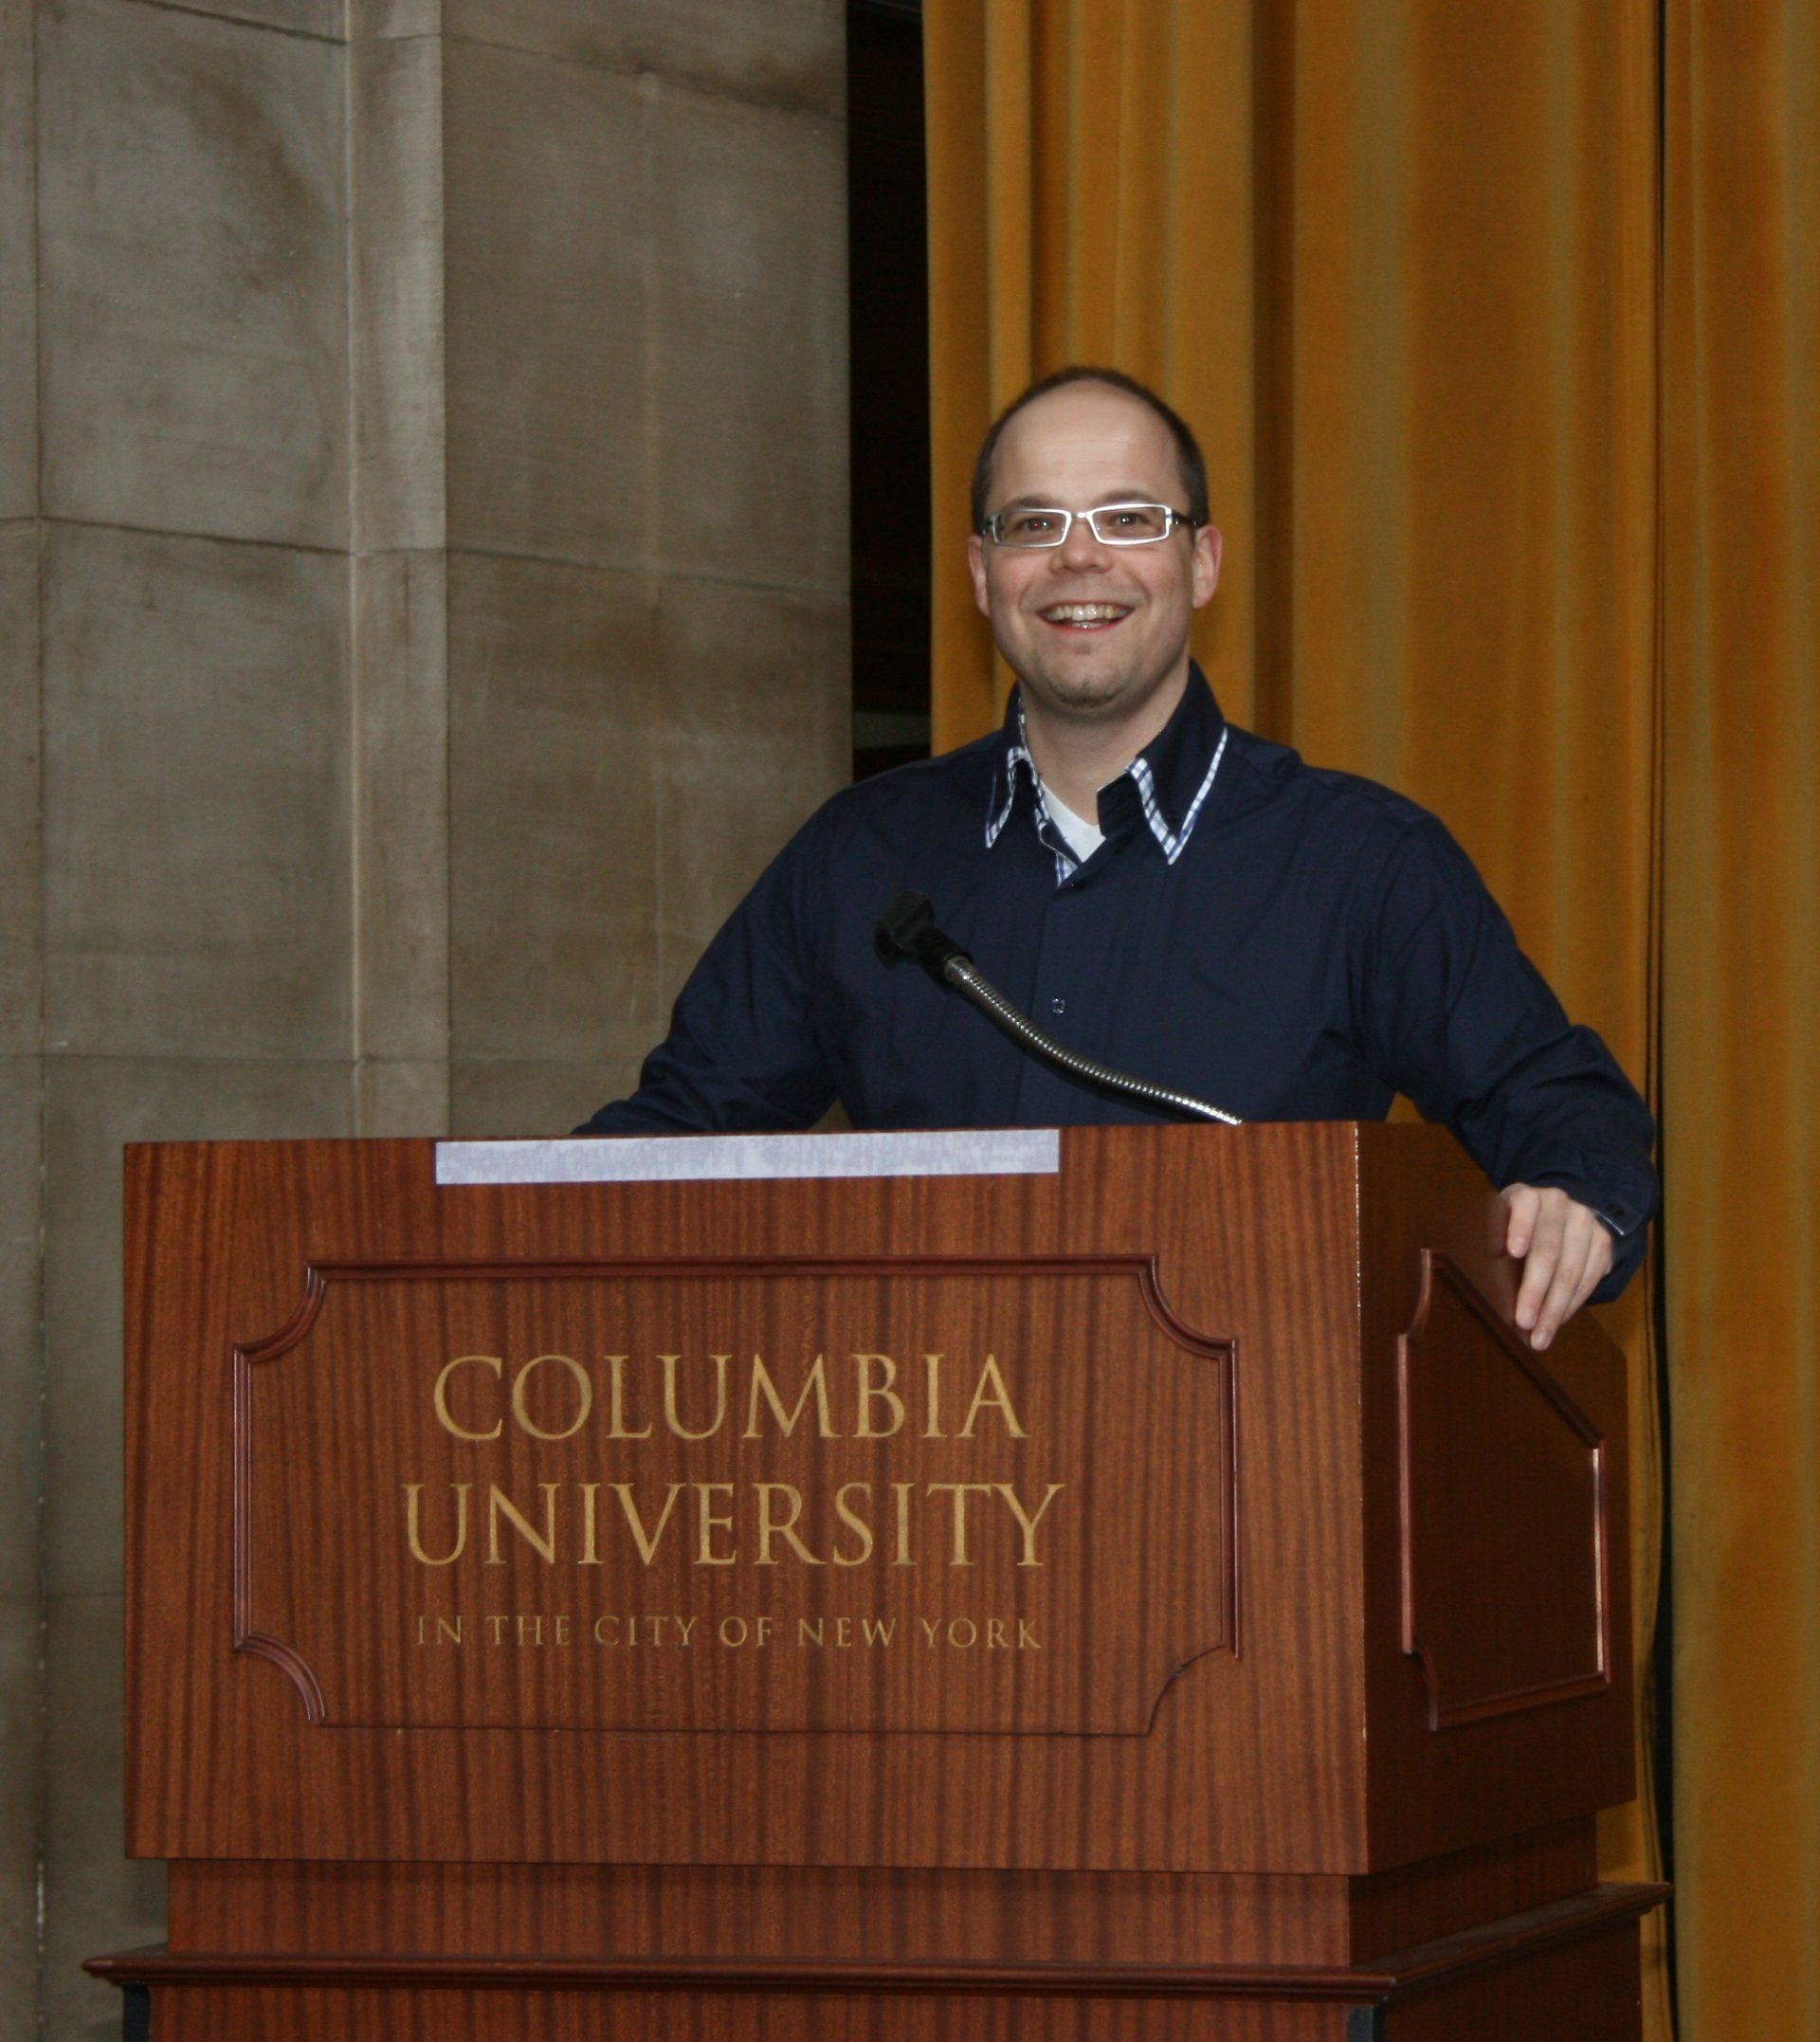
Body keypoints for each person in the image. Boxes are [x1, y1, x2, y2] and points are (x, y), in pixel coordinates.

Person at [578, 367, 1657, 1352]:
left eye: (1129, 518)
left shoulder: (1362, 866)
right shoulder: (860, 860)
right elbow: (674, 1141)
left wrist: (1574, 1193)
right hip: (929, 1489)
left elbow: (1563, 1108)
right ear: (981, 572)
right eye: (1034, 522)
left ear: (1202, 564)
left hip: (1254, 1493)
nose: (1079, 557)